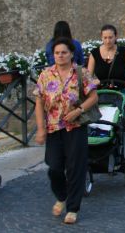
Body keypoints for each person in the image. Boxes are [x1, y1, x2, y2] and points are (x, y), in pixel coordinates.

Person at [34, 38, 100, 225]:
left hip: (76, 126)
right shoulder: (45, 75)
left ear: (71, 54)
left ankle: (72, 208)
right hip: (54, 128)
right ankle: (62, 196)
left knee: (75, 168)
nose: (60, 56)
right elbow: (39, 102)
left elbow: (94, 97)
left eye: (64, 52)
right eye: (57, 53)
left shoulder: (81, 72)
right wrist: (40, 129)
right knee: (53, 167)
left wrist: (78, 111)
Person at [87, 25, 125, 103]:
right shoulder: (94, 53)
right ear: (101, 37)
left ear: (116, 36)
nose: (108, 41)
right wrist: (93, 82)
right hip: (101, 90)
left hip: (121, 89)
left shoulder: (123, 51)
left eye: (110, 37)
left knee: (121, 105)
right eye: (105, 38)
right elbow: (88, 76)